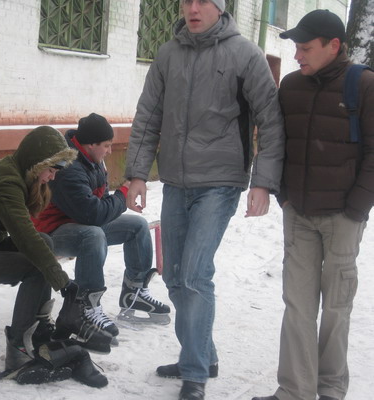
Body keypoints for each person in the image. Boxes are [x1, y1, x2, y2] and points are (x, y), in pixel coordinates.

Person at [125, 0, 285, 398]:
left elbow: (270, 119)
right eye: (187, 1)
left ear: (220, 6)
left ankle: (194, 373)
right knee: (175, 275)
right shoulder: (168, 54)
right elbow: (148, 115)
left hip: (220, 180)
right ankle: (203, 355)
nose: (192, 9)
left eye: (202, 1)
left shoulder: (244, 54)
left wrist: (263, 182)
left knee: (195, 274)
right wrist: (137, 174)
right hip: (176, 182)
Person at [252, 9, 374, 400]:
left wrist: (357, 207)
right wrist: (284, 194)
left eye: (305, 48)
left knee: (336, 306)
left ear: (333, 45)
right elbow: (276, 142)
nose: (297, 55)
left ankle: (331, 389)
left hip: (343, 217)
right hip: (299, 214)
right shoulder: (290, 86)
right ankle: (295, 390)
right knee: (298, 305)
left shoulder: (364, 85)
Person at [0, 126, 111, 380]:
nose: (52, 177)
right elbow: (24, 236)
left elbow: (33, 232)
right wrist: (64, 283)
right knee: (36, 263)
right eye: (51, 170)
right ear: (36, 161)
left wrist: (38, 184)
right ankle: (19, 347)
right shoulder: (6, 181)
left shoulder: (17, 172)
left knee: (45, 243)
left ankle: (39, 328)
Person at [33, 113, 171, 342]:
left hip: (79, 224)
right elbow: (93, 214)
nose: (109, 151)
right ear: (91, 144)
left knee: (137, 226)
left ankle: (134, 293)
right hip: (50, 232)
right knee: (93, 235)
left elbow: (101, 204)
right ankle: (85, 306)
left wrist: (116, 200)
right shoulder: (69, 168)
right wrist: (122, 195)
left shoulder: (93, 160)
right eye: (106, 146)